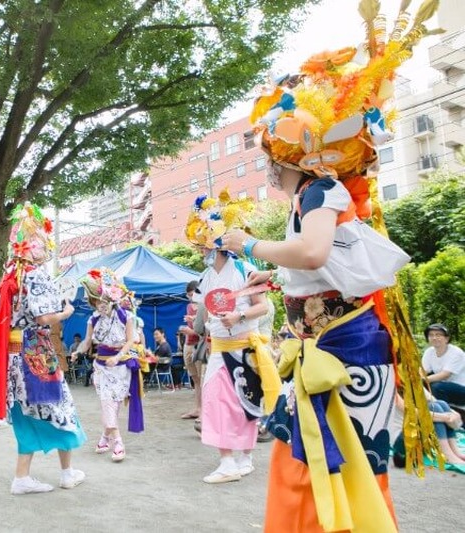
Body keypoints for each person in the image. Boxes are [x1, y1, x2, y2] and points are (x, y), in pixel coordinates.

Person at [227, 12, 438, 527]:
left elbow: (317, 254)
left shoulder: (319, 188)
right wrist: (276, 276)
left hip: (340, 352)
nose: (269, 169)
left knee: (325, 464)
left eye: (271, 158)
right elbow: (322, 267)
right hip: (335, 349)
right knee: (318, 461)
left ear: (290, 155)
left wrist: (250, 244)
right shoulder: (316, 194)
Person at [0, 202, 86, 495]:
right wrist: (66, 314)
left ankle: (22, 477)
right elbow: (43, 317)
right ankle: (67, 473)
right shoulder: (35, 274)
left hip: (16, 356)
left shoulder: (10, 276)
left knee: (26, 412)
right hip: (37, 353)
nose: (45, 247)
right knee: (62, 407)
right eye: (41, 242)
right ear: (29, 246)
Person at [185, 196, 271, 484]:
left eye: (201, 245)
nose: (199, 251)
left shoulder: (246, 270)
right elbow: (204, 310)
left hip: (246, 347)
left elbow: (264, 306)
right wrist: (209, 326)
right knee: (214, 400)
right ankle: (226, 461)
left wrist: (238, 317)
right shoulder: (205, 277)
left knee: (246, 402)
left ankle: (244, 458)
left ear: (216, 243)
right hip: (220, 349)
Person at [78, 267, 144, 463]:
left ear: (110, 298)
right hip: (101, 366)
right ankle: (118, 442)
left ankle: (105, 438)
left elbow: (131, 340)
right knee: (107, 401)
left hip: (121, 364)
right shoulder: (93, 319)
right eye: (95, 301)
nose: (98, 304)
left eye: (100, 300)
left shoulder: (127, 316)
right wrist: (78, 351)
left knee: (114, 404)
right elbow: (87, 342)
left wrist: (119, 356)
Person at [421, 323, 465, 406]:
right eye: (431, 335)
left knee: (437, 387)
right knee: (421, 385)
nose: (434, 338)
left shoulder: (456, 352)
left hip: (461, 388)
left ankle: (444, 413)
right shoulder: (429, 352)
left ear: (447, 338)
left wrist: (422, 379)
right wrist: (417, 379)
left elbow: (445, 375)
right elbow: (424, 370)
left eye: (438, 335)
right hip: (445, 386)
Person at [180, 280, 204, 419]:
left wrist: (192, 327)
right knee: (195, 378)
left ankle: (203, 410)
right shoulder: (189, 306)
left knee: (202, 378)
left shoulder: (204, 305)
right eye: (188, 295)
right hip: (189, 343)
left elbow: (202, 329)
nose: (191, 297)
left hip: (200, 344)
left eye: (192, 294)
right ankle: (198, 408)